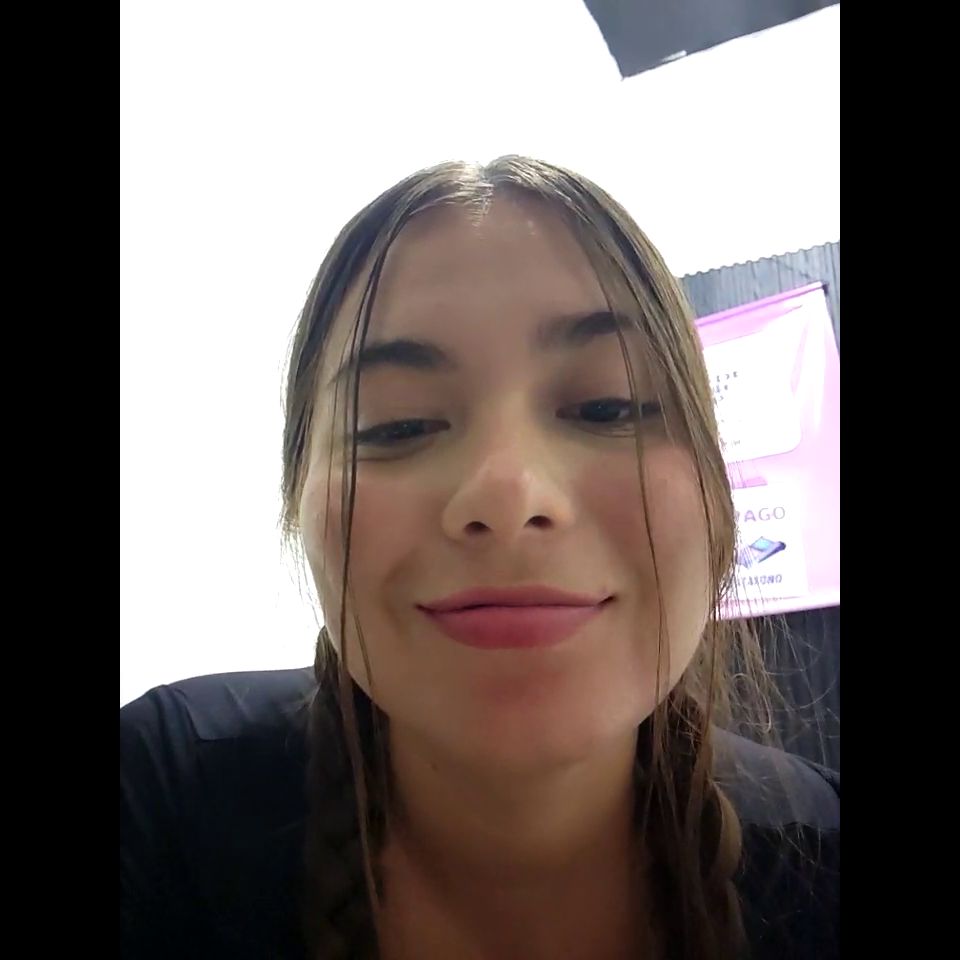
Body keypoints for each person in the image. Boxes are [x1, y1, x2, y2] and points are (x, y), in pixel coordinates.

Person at [120, 156, 839, 960]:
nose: (506, 493)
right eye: (396, 425)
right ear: (297, 507)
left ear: (717, 490)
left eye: (609, 406)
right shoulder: (159, 795)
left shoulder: (818, 849)